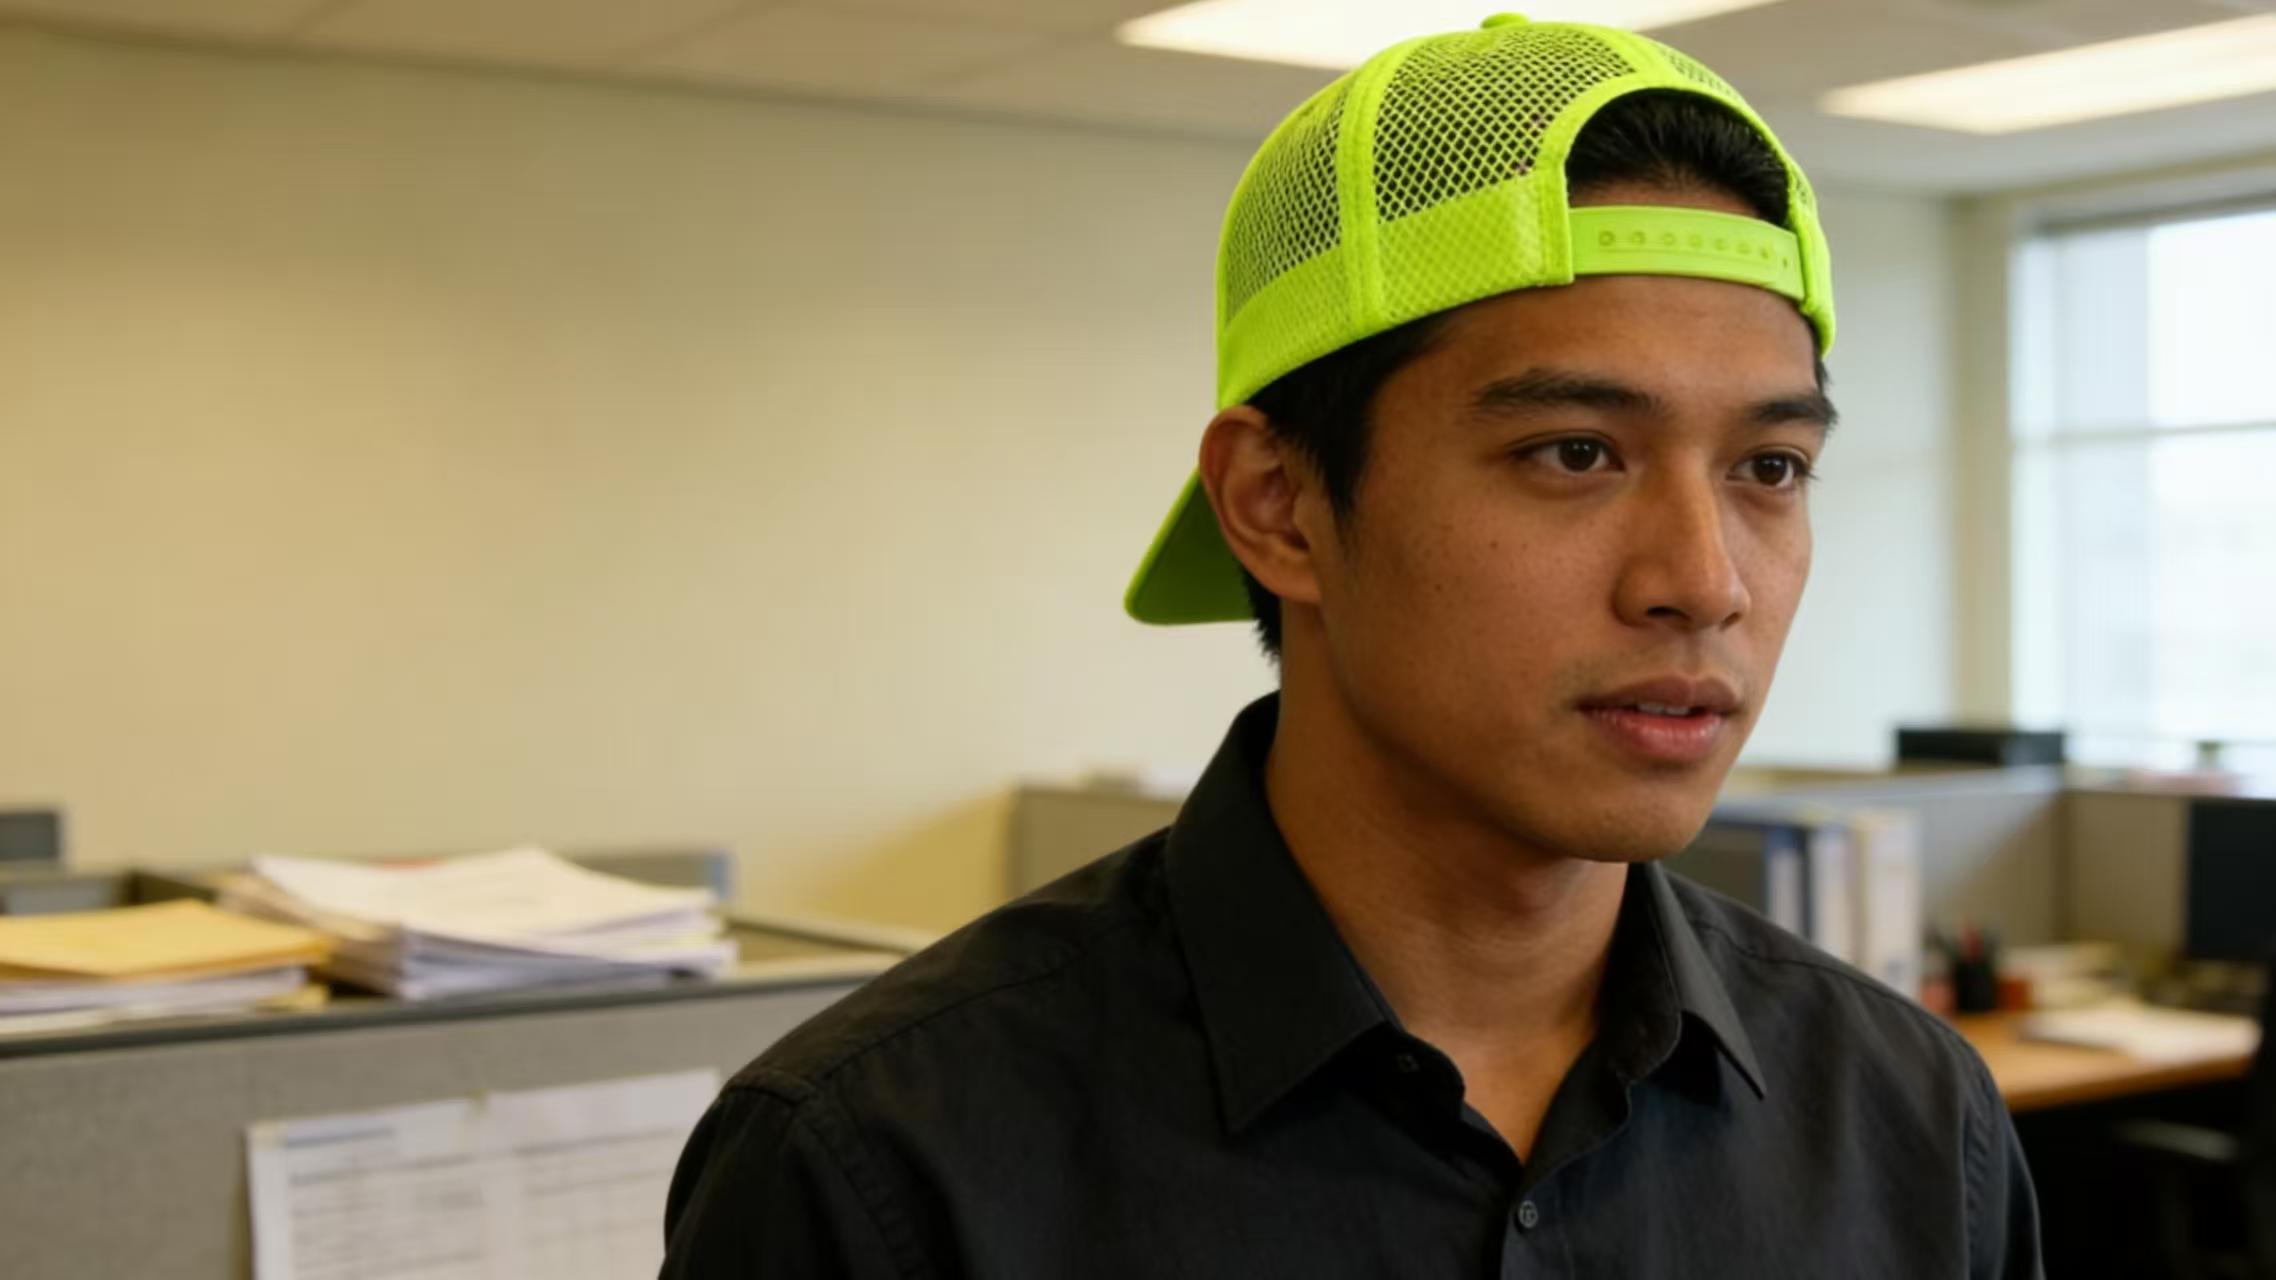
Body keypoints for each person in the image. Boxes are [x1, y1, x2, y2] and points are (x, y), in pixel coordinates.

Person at [662, 14, 2043, 1277]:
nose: (1705, 581)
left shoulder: (1915, 1123)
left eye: (1770, 468)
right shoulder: (881, 1165)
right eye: (1575, 452)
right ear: (1278, 504)